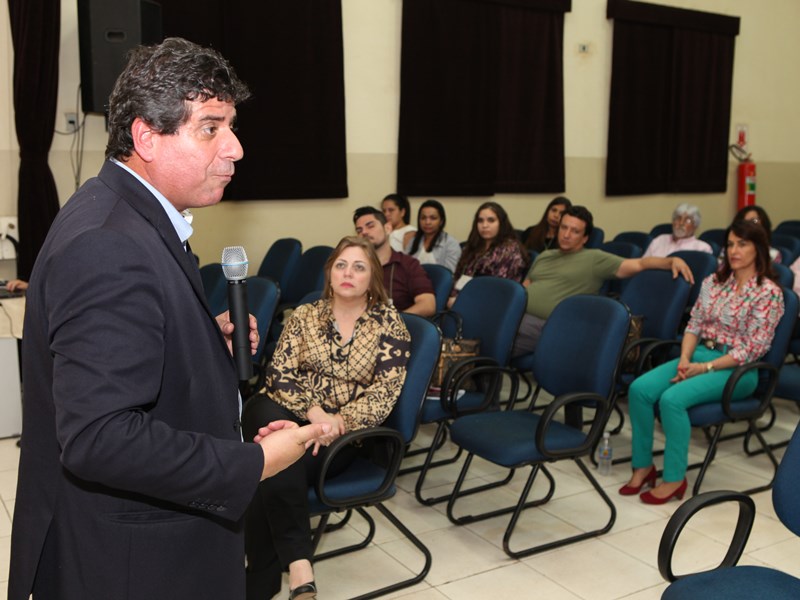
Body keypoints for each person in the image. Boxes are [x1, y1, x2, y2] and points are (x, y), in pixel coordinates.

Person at [8, 38, 328, 600]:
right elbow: (100, 437)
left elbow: (134, 353)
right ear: (146, 137)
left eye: (230, 125)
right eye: (210, 127)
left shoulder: (129, 212)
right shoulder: (109, 244)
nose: (235, 148)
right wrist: (250, 462)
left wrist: (205, 344)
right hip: (133, 564)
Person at [243, 235, 410, 600]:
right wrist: (314, 416)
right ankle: (300, 565)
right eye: (341, 265)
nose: (348, 273)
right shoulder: (304, 314)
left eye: (359, 266)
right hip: (282, 408)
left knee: (267, 461)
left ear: (373, 278)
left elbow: (383, 395)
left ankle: (262, 581)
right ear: (329, 272)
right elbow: (279, 374)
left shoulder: (390, 325)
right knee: (270, 427)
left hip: (342, 434)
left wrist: (337, 423)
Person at [621, 220, 784, 504]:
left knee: (672, 399)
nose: (734, 250)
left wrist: (705, 368)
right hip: (697, 357)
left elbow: (754, 347)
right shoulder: (714, 282)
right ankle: (643, 466)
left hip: (738, 370)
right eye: (730, 244)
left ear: (758, 249)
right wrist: (685, 358)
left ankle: (674, 479)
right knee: (639, 390)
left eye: (742, 244)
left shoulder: (768, 292)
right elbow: (694, 324)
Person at [512, 205, 694, 356]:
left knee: (496, 334)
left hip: (554, 326)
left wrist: (671, 260)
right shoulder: (545, 256)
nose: (566, 235)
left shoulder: (594, 259)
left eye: (574, 231)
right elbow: (523, 290)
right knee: (495, 325)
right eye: (564, 228)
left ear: (585, 238)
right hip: (523, 318)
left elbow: (639, 264)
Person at [353, 206, 436, 316]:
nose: (364, 232)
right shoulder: (353, 266)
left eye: (370, 226)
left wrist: (393, 321)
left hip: (396, 328)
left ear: (387, 228)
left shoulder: (408, 264)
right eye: (359, 230)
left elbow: (428, 305)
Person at [448, 201, 529, 307]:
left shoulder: (510, 251)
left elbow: (496, 290)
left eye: (491, 220)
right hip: (460, 299)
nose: (484, 225)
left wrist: (461, 301)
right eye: (480, 221)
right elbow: (458, 276)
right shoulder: (472, 246)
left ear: (501, 223)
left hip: (489, 306)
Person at [405, 198, 462, 271]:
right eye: (423, 218)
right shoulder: (413, 241)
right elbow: (404, 267)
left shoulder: (451, 244)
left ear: (441, 221)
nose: (427, 222)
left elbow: (449, 274)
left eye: (433, 218)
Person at [643, 203, 713, 257]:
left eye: (687, 220)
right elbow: (642, 265)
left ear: (695, 226)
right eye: (678, 218)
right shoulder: (659, 240)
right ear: (673, 222)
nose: (681, 223)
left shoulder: (702, 249)